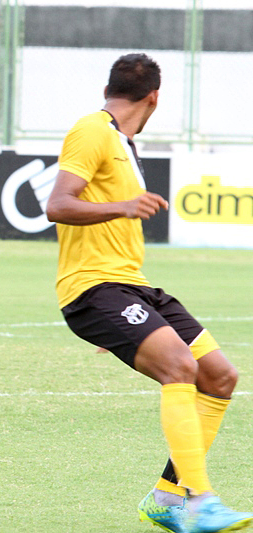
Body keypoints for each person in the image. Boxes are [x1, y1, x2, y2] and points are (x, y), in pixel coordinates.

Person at [46, 53, 252, 533]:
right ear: (155, 97)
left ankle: (165, 498)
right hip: (94, 288)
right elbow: (57, 205)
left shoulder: (125, 142)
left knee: (219, 376)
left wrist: (125, 322)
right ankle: (199, 501)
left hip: (131, 291)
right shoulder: (92, 130)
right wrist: (122, 205)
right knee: (181, 368)